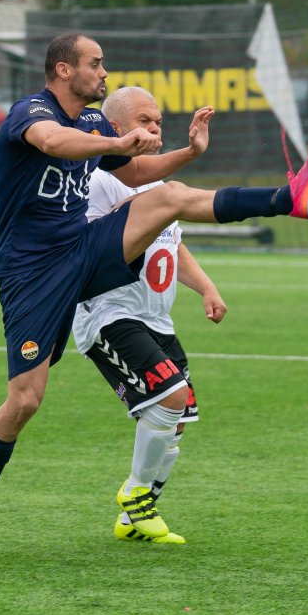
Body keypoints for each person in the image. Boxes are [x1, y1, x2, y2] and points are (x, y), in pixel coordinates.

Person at [0, 33, 308, 559]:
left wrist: (188, 153)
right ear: (63, 70)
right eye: (95, 63)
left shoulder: (92, 122)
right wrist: (115, 142)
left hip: (81, 250)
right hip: (32, 274)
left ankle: (288, 197)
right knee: (25, 400)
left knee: (168, 197)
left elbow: (134, 173)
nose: (103, 72)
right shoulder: (32, 112)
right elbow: (53, 143)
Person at [72, 86, 226, 546]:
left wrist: (206, 287)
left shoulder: (158, 185)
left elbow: (172, 244)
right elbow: (91, 245)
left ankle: (135, 517)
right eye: (144, 121)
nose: (155, 128)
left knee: (176, 419)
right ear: (115, 129)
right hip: (107, 313)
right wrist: (137, 210)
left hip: (157, 319)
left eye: (158, 121)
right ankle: (136, 494)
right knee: (172, 396)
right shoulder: (97, 179)